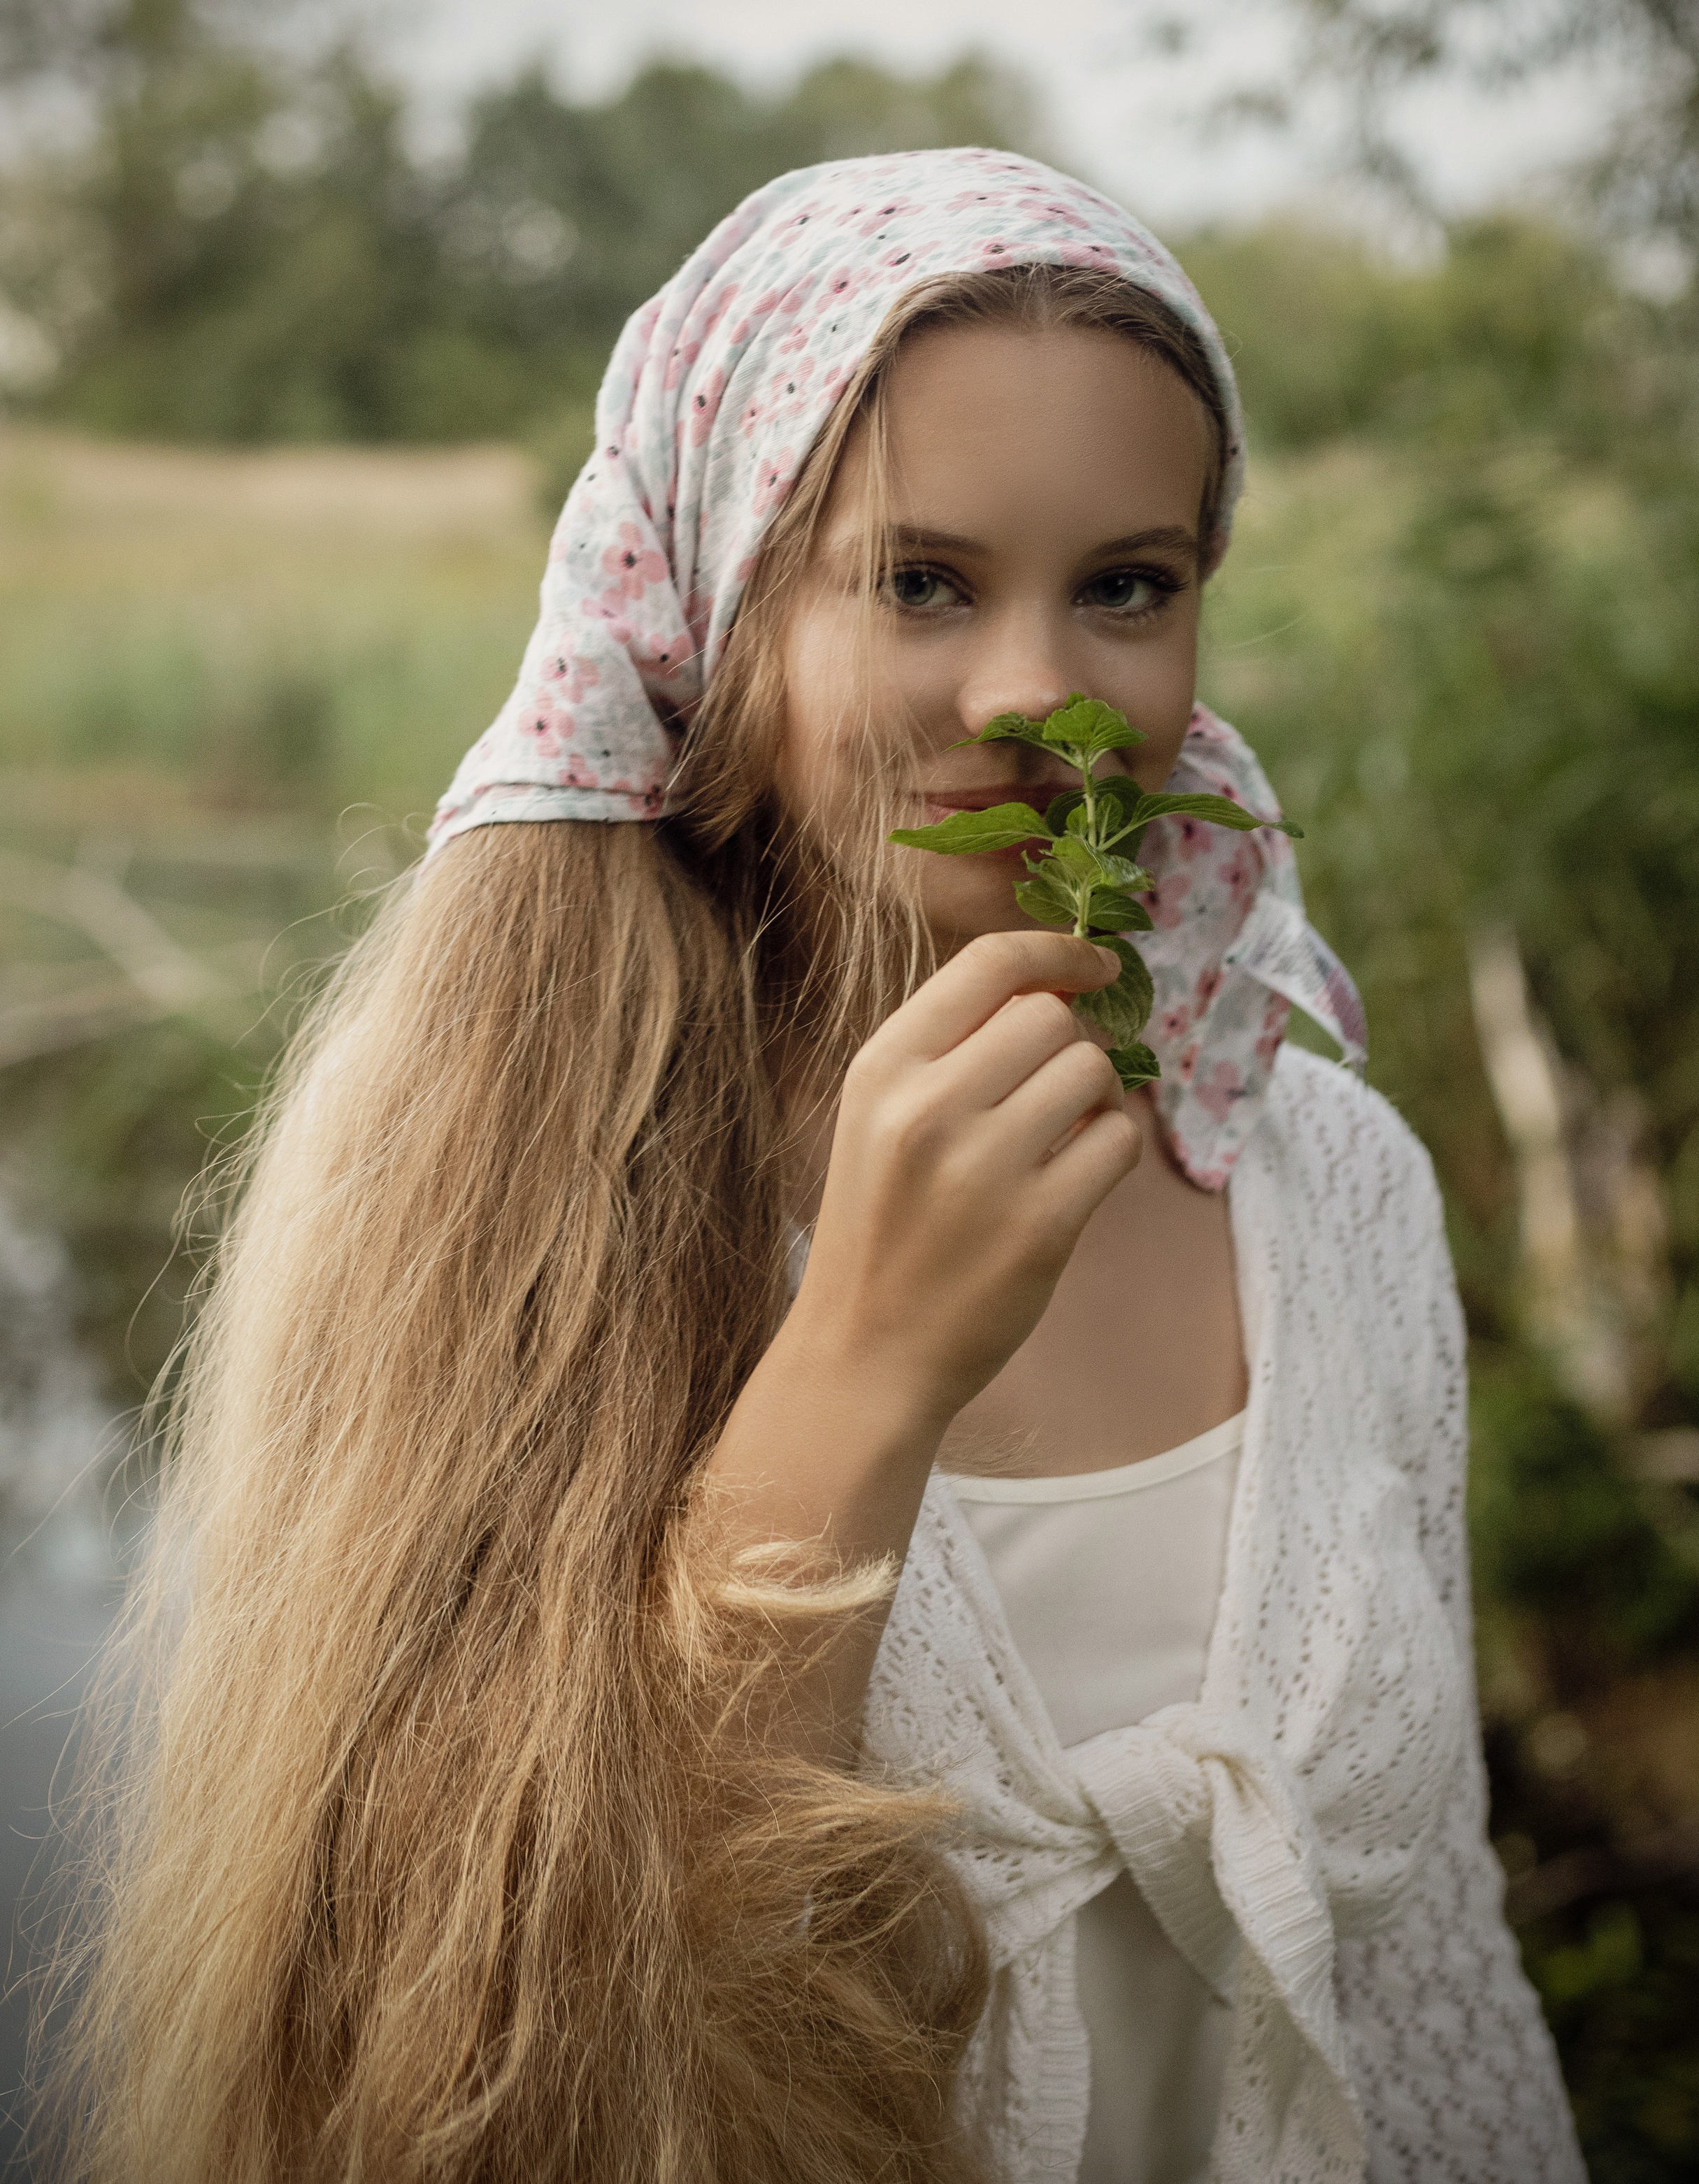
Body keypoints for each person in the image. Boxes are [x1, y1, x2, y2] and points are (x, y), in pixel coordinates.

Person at [41, 149, 1586, 2184]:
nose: (1041, 689)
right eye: (922, 580)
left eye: (1128, 583)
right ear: (716, 600)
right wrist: (860, 1354)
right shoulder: (492, 1163)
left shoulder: (1337, 1180)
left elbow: (1428, 1950)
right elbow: (478, 2038)